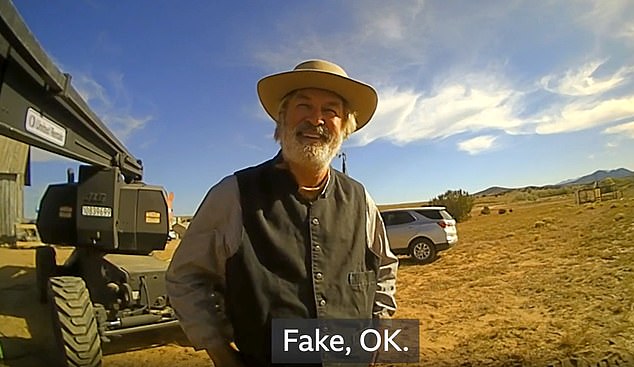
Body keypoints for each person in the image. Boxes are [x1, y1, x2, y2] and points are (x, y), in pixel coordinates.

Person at [166, 59, 398, 367]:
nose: (316, 119)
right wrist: (219, 351)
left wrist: (377, 336)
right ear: (283, 118)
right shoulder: (233, 195)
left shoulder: (360, 199)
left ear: (344, 126)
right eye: (304, 106)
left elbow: (384, 267)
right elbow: (185, 277)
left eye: (330, 110)